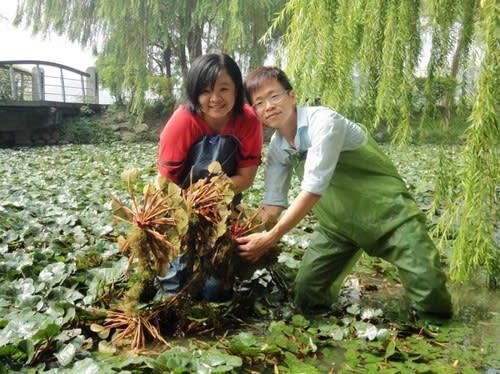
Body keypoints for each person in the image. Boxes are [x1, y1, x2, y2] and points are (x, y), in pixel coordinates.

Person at [236, 66, 453, 319]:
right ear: (255, 112)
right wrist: (238, 233)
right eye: (259, 102)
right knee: (307, 295)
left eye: (274, 96)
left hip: (390, 215)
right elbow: (272, 205)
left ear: (292, 95)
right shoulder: (277, 147)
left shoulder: (325, 123)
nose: (269, 106)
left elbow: (313, 189)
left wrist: (271, 237)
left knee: (433, 300)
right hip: (338, 228)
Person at [156, 53, 263, 301]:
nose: (215, 99)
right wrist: (188, 208)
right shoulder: (182, 121)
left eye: (224, 89)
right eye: (205, 91)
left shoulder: (248, 121)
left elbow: (245, 178)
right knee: (174, 289)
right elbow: (165, 185)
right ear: (194, 93)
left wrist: (210, 198)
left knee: (214, 292)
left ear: (237, 89)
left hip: (224, 210)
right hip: (178, 208)